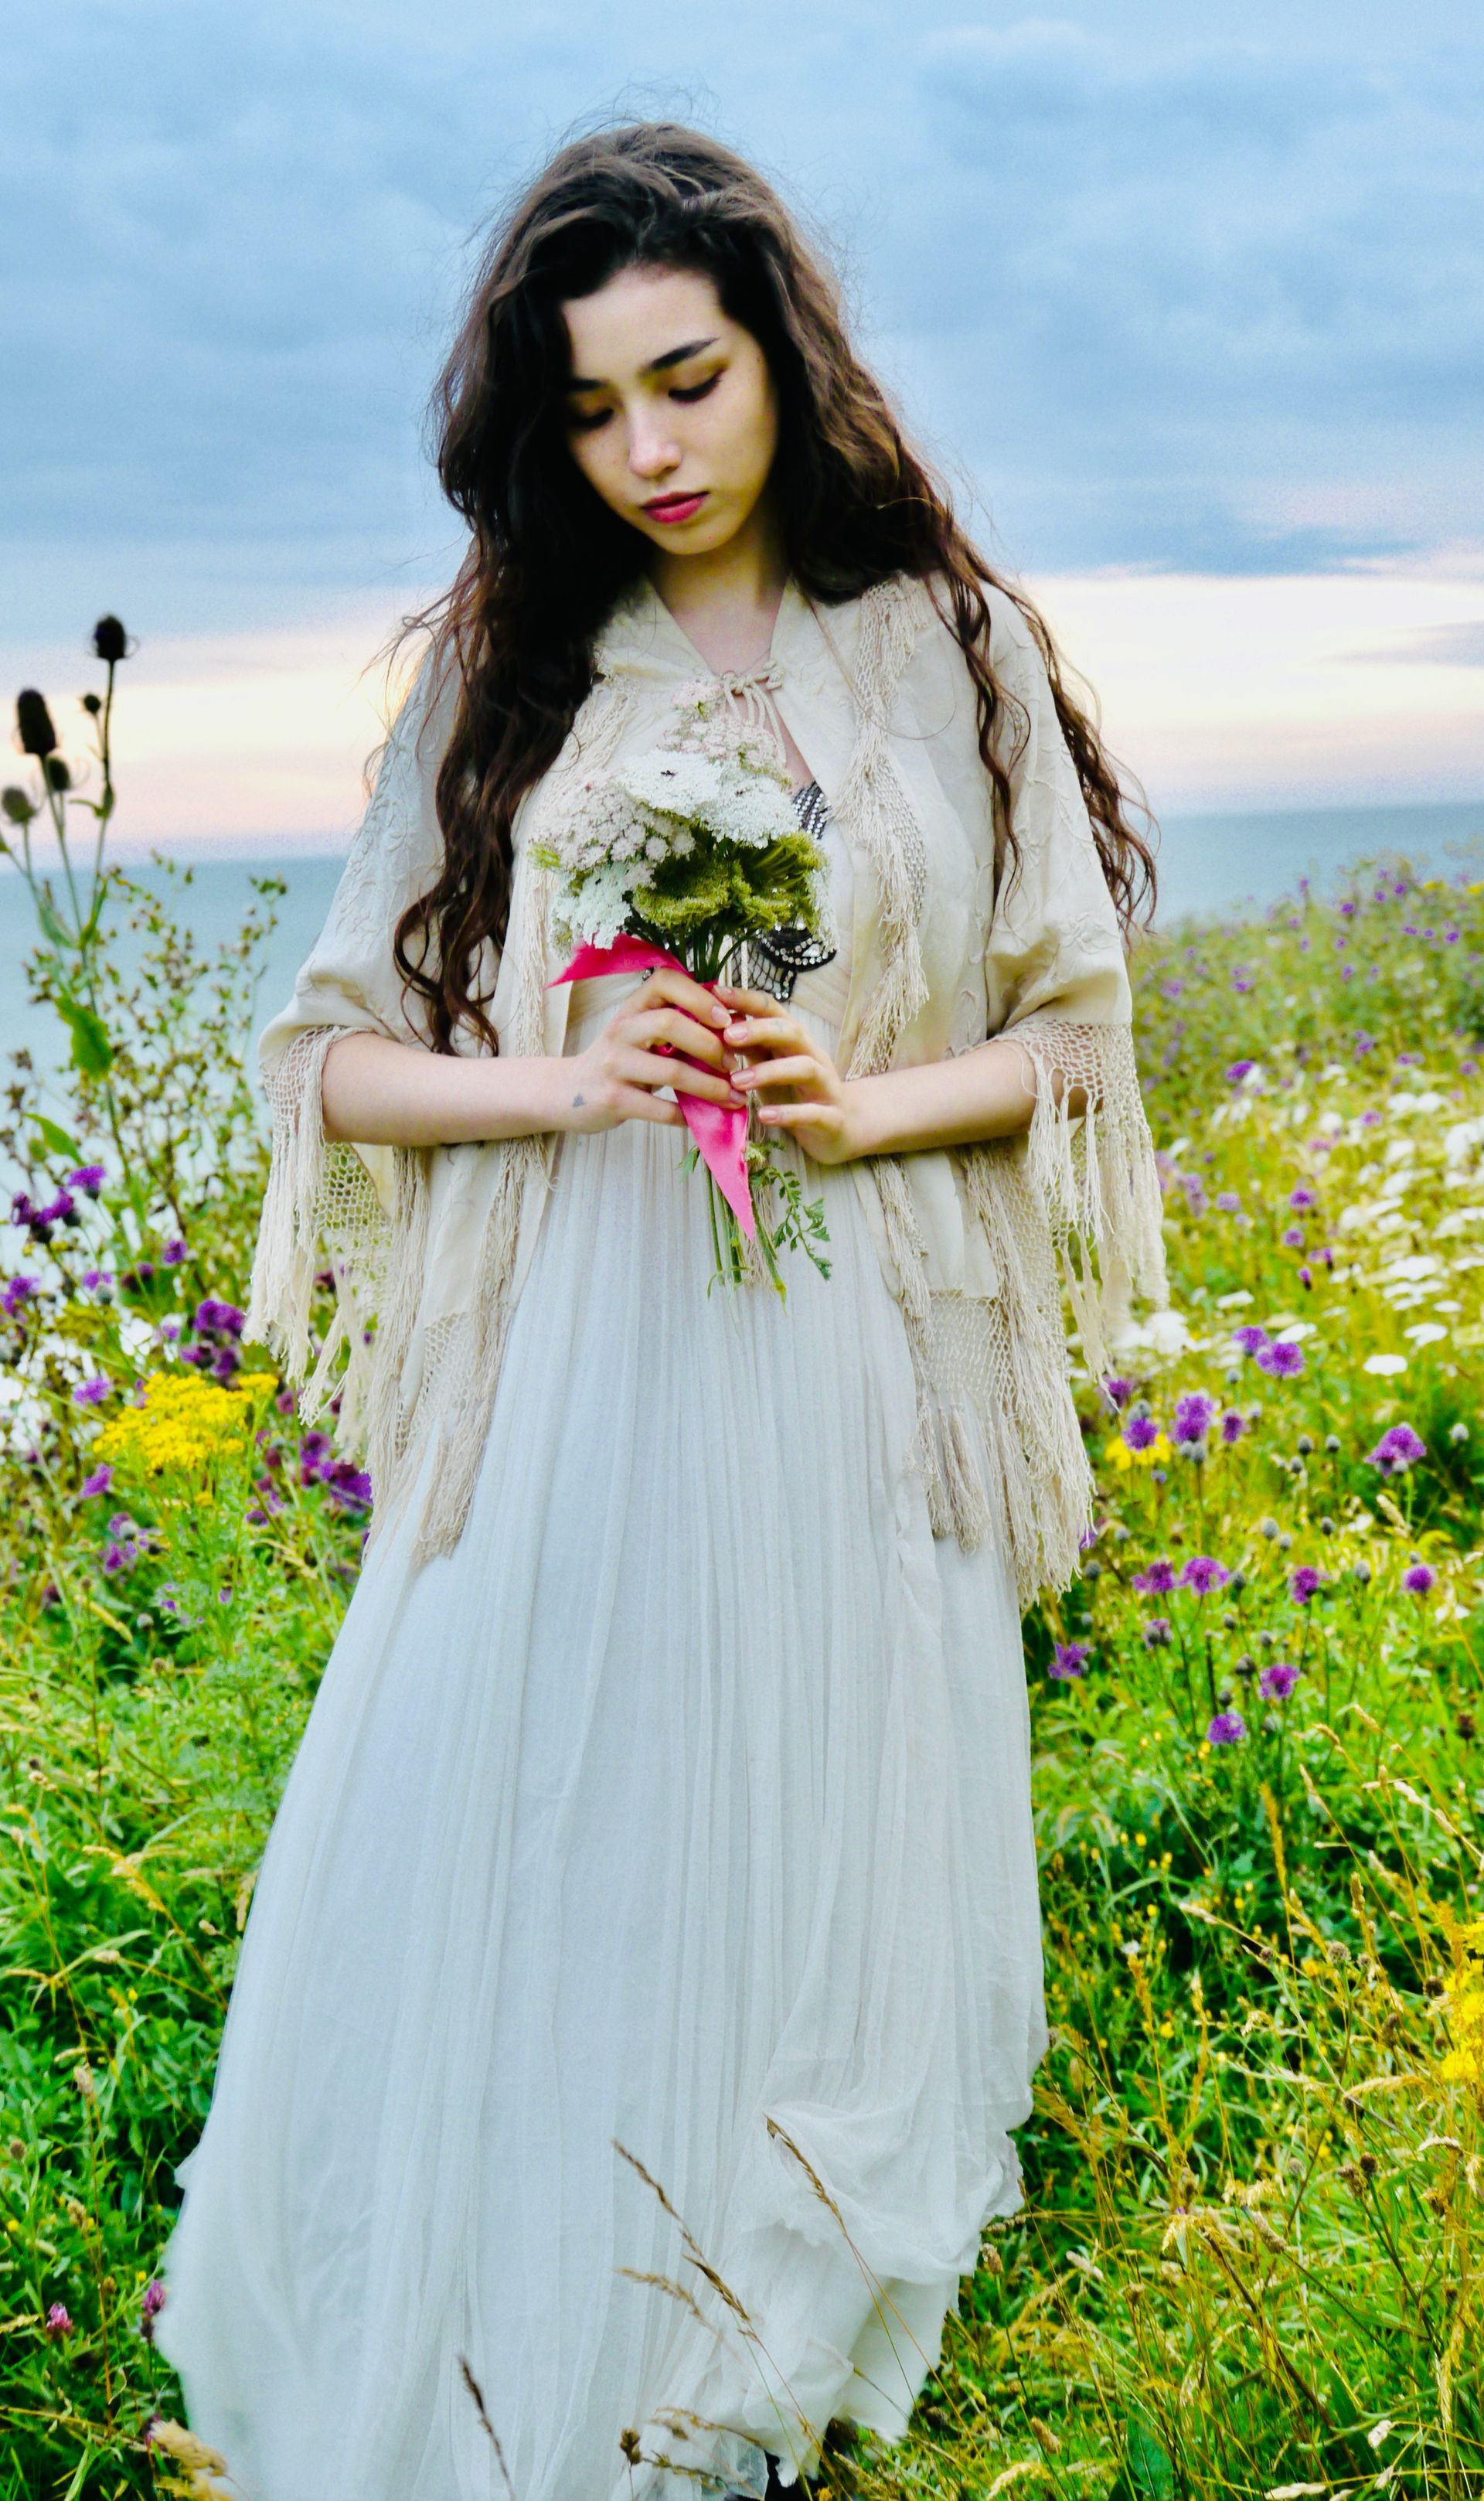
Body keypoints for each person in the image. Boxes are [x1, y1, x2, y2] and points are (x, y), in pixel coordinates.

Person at [153, 120, 1167, 2501]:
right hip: (587, 1380)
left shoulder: (953, 649)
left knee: (813, 1882)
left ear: (786, 356)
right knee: (561, 1863)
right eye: (596, 411)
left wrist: (857, 1099)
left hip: (849, 1384)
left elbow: (1079, 1048)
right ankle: (513, 2395)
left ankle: (729, 2394)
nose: (651, 451)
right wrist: (563, 1073)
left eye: (690, 382)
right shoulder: (516, 661)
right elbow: (323, 1057)